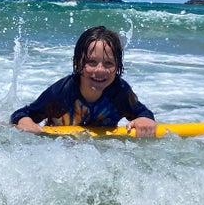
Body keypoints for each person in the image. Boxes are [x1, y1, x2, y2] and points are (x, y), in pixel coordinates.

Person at [10, 25, 157, 136]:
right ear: (76, 64)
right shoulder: (62, 92)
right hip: (59, 148)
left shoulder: (119, 92)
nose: (100, 70)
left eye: (108, 64)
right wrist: (25, 121)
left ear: (117, 66)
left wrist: (145, 119)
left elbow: (142, 112)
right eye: (91, 62)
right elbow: (21, 114)